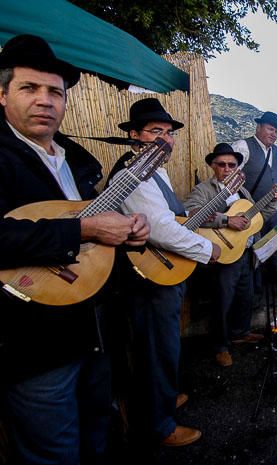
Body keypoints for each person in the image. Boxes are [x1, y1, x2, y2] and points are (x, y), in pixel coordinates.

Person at [0, 34, 150, 464]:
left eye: (55, 92)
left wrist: (127, 234)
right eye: (30, 88)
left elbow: (96, 234)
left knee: (97, 434)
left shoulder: (77, 160)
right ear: (3, 92)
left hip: (95, 327)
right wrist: (84, 229)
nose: (44, 100)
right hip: (33, 342)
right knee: (54, 453)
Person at [112, 98, 220, 447]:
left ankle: (164, 397)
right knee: (157, 349)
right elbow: (160, 229)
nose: (166, 139)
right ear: (134, 135)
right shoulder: (132, 174)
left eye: (169, 133)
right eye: (156, 131)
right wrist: (207, 248)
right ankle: (159, 426)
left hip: (164, 275)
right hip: (148, 280)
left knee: (165, 345)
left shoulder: (154, 171)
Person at [183, 143, 275, 367]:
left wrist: (272, 200)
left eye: (231, 165)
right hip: (222, 254)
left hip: (243, 252)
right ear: (213, 167)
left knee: (246, 295)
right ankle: (220, 347)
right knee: (222, 302)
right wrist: (226, 220)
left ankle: (240, 332)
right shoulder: (204, 189)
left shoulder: (242, 192)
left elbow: (255, 217)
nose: (226, 169)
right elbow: (189, 214)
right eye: (221, 165)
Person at [231, 111, 277, 303]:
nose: (273, 134)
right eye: (270, 129)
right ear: (259, 127)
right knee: (253, 250)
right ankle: (255, 294)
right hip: (250, 211)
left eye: (276, 131)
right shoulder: (242, 147)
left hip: (275, 209)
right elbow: (228, 176)